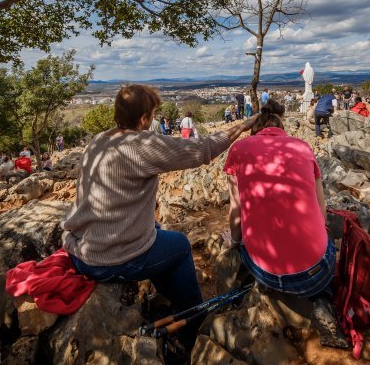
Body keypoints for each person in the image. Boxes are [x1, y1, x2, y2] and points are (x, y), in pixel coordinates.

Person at [62, 85, 257, 349]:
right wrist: (243, 126)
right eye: (152, 114)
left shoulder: (99, 140)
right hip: (108, 259)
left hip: (80, 250)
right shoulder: (141, 145)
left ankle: (168, 302)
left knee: (158, 232)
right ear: (144, 118)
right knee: (178, 245)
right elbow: (203, 149)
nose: (153, 118)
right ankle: (194, 326)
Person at [223, 99, 334, 299]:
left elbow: (236, 212)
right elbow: (322, 211)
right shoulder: (303, 147)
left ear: (254, 128)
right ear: (280, 125)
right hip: (318, 273)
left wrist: (234, 242)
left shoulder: (238, 150)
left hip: (267, 274)